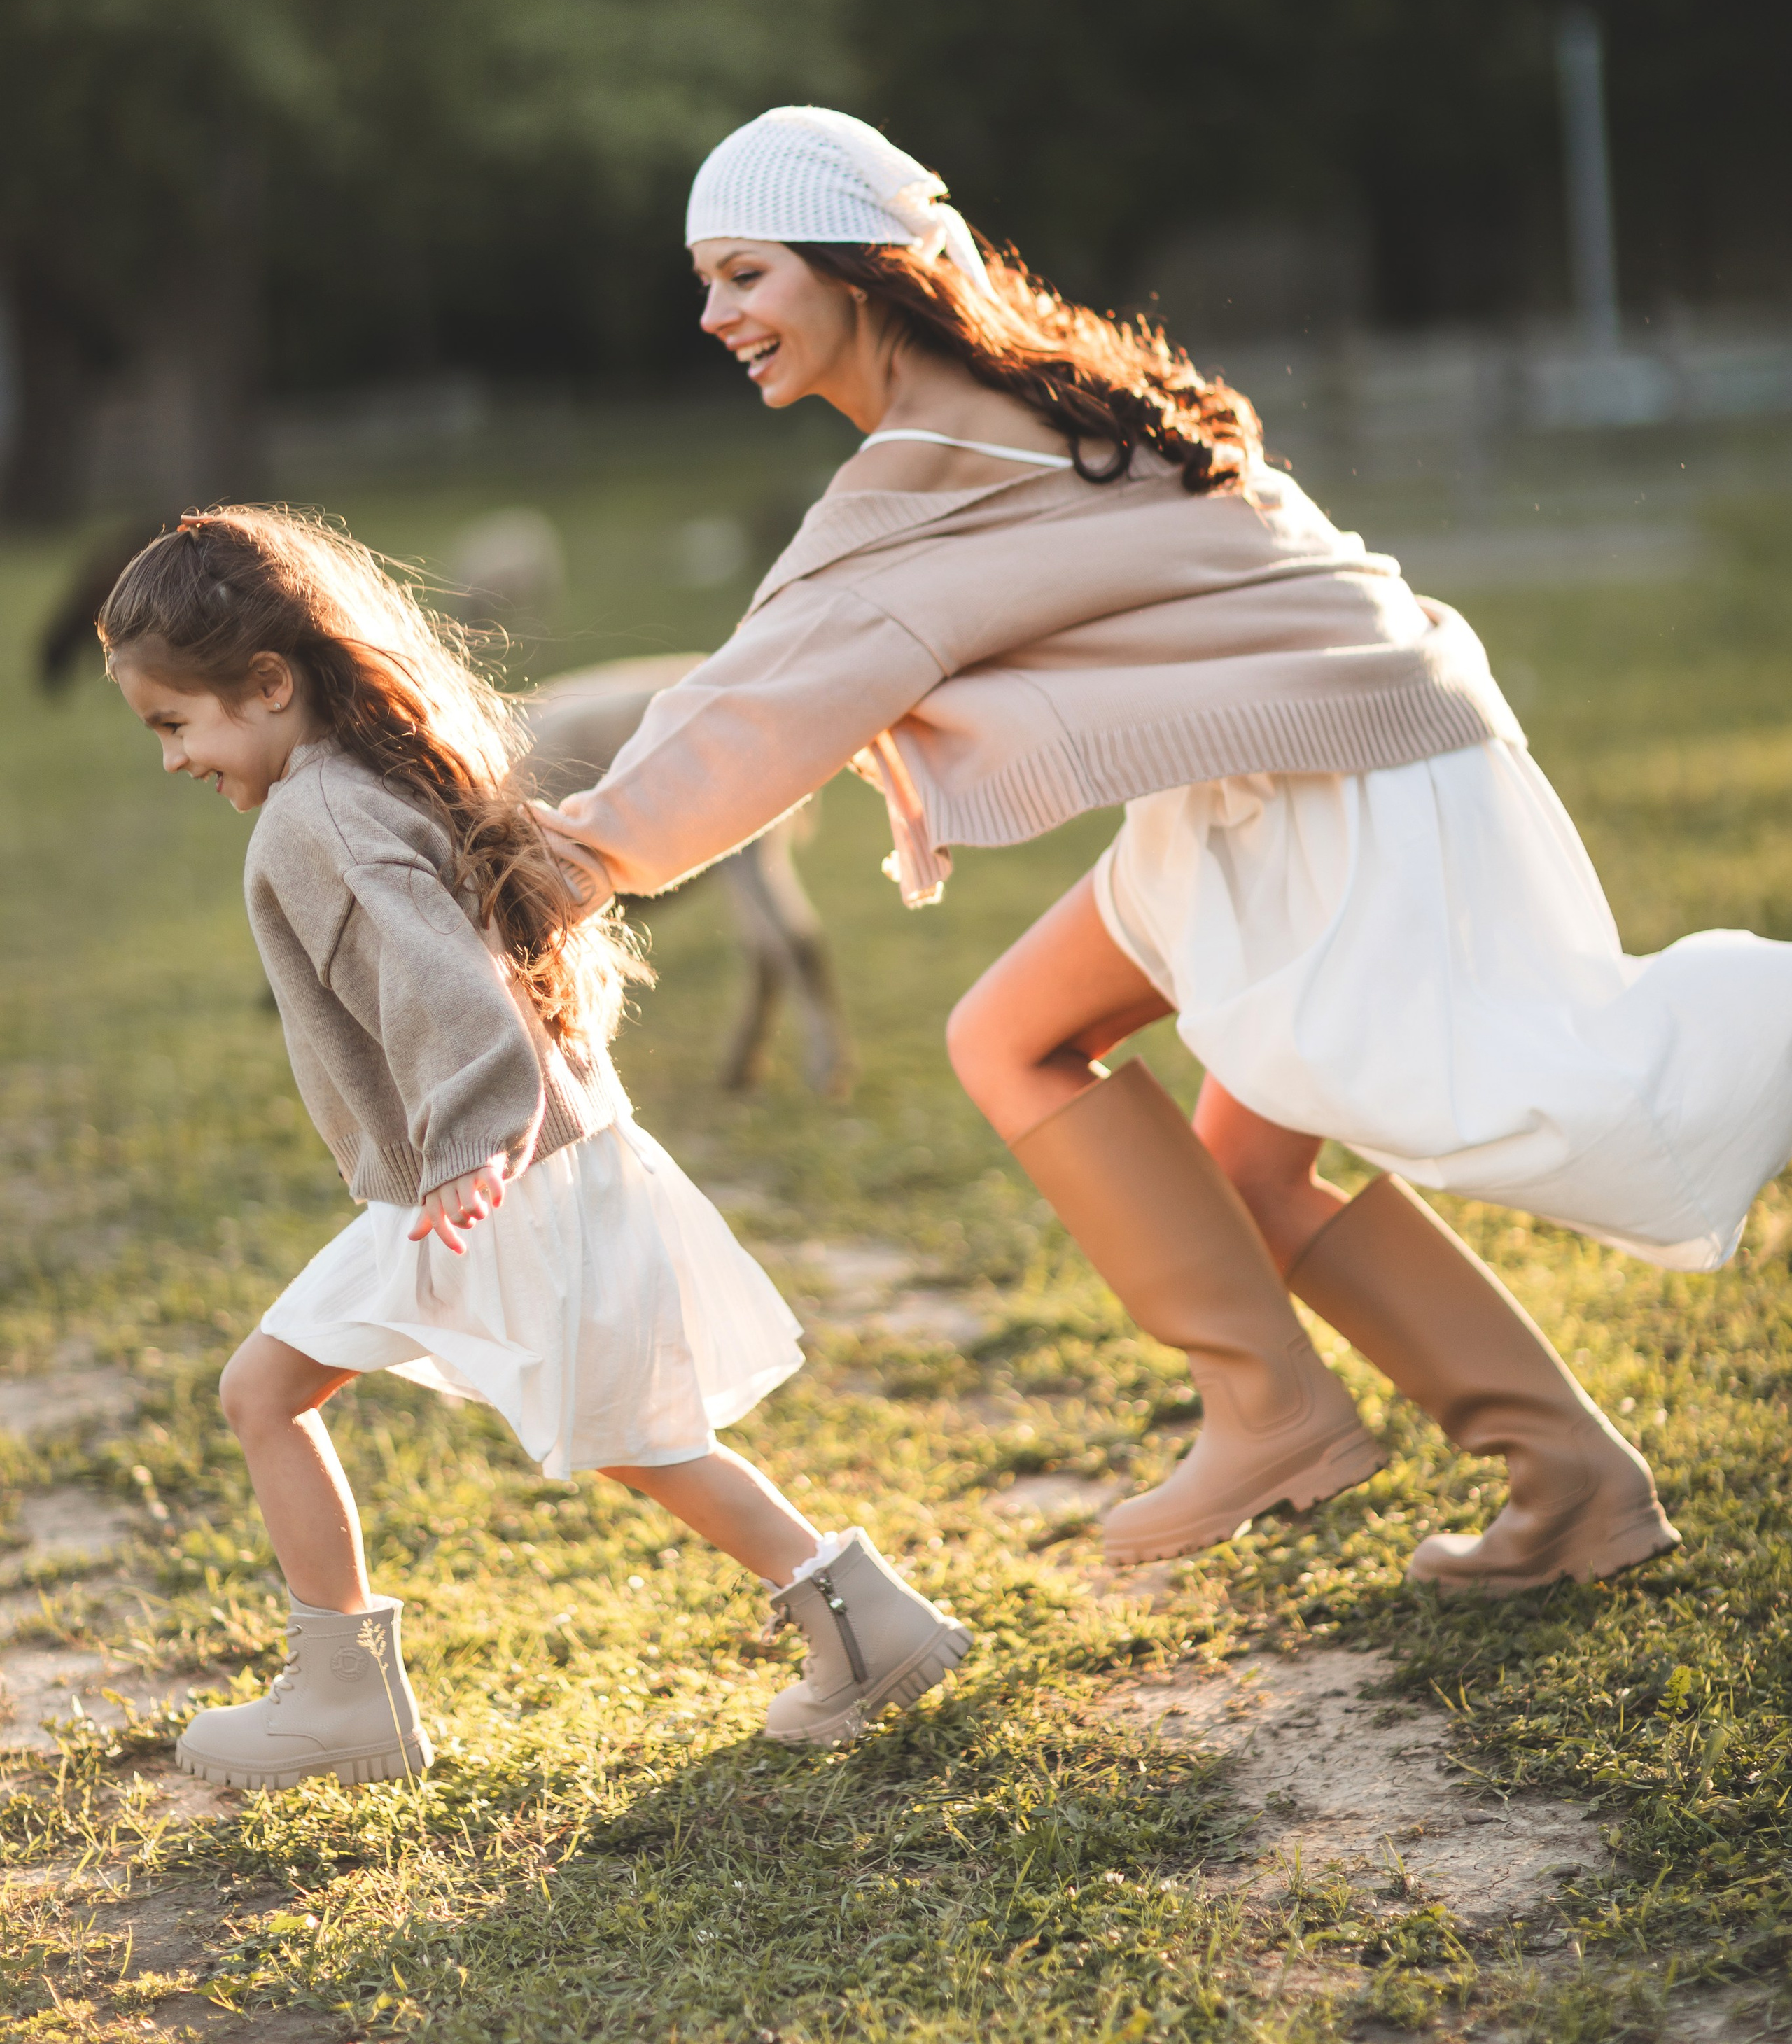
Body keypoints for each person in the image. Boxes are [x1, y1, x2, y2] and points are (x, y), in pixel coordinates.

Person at [541, 104, 1791, 1595]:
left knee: (1068, 1051)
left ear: (854, 268)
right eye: (705, 280)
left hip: (1334, 778)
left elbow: (754, 700)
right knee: (1139, 1108)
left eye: (743, 273)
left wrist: (564, 860)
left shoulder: (931, 461)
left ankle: (1273, 1410)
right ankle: (1567, 1480)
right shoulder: (1039, 386)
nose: (712, 313)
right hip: (1316, 755)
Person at [99, 507, 971, 1788]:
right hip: (527, 1166)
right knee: (636, 1436)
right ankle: (864, 1621)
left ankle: (347, 1700)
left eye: (176, 723)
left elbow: (448, 986)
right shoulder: (374, 777)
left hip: (487, 1180)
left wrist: (467, 1137)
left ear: (270, 683)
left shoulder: (315, 819)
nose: (171, 757)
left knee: (274, 1394)